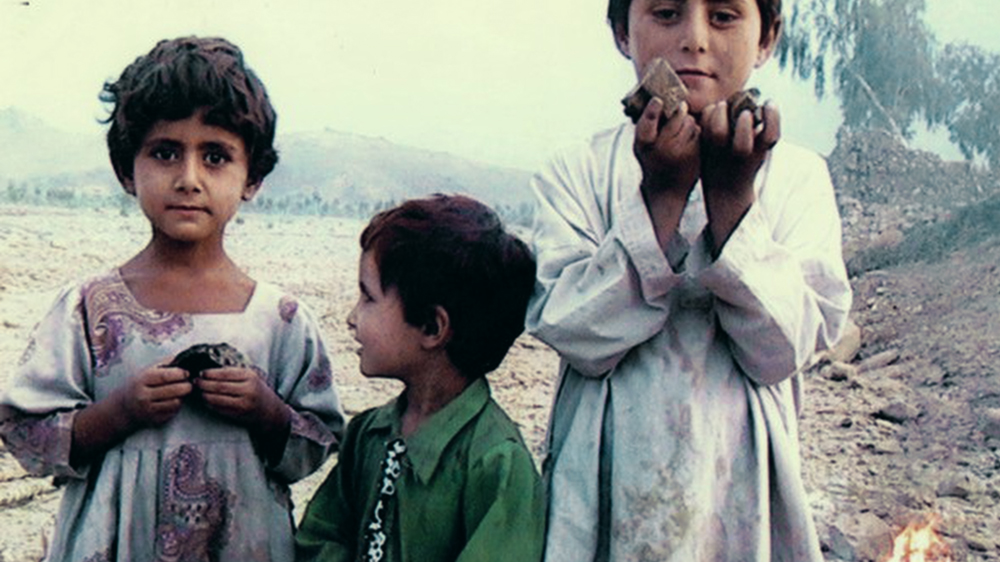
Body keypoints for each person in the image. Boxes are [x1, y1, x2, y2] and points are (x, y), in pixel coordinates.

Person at [526, 0, 852, 560]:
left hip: (738, 493)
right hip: (606, 493)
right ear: (622, 33)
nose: (695, 39)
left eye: (724, 16)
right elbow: (574, 334)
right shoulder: (577, 170)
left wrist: (732, 204)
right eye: (667, 13)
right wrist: (661, 199)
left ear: (767, 37)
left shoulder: (797, 177)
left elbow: (780, 351)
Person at [0, 36, 345, 562]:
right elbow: (26, 432)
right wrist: (119, 412)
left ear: (251, 178)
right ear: (125, 170)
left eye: (215, 156)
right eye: (165, 152)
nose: (189, 178)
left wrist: (266, 411)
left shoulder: (282, 321)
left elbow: (314, 445)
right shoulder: (87, 309)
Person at [295, 194, 545, 562]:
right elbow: (321, 535)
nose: (351, 317)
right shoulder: (368, 434)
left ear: (431, 327)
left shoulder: (497, 464)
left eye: (368, 298)